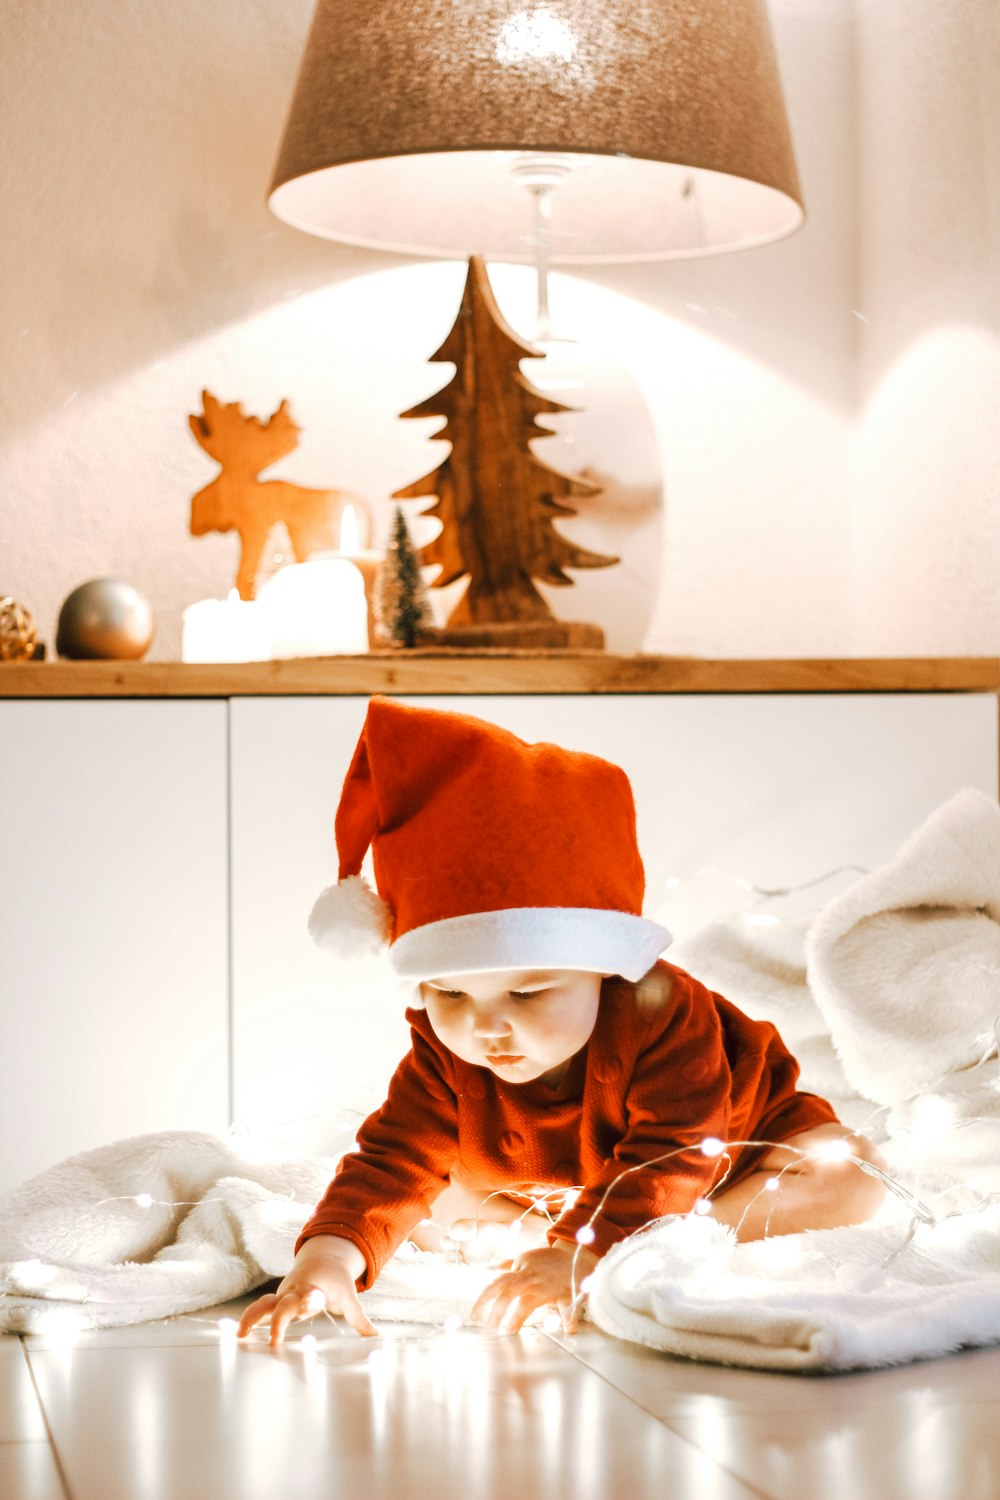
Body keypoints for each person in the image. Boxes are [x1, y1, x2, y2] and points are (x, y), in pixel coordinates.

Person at [237, 697, 886, 1346]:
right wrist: (326, 1256)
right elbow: (392, 1156)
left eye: (526, 994)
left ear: (600, 968)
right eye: (450, 994)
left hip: (726, 1159)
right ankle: (568, 1229)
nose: (485, 1027)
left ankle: (674, 1234)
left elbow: (680, 1147)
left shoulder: (660, 1008)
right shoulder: (444, 1047)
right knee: (428, 1196)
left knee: (850, 1174)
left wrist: (585, 1249)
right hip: (542, 1185)